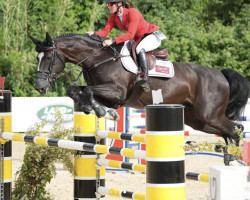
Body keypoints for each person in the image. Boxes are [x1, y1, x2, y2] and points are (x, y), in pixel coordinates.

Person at [87, 0, 165, 92]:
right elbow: (104, 32)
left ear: (119, 4)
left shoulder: (133, 12)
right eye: (108, 4)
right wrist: (94, 33)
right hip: (139, 39)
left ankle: (145, 77)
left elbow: (130, 34)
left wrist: (112, 40)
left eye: (111, 4)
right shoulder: (113, 17)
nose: (109, 6)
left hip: (151, 36)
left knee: (140, 49)